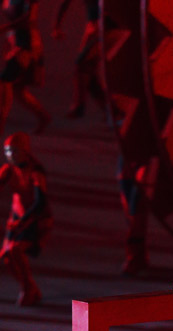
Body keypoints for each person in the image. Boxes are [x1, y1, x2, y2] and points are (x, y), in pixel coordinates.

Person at [0, 130, 51, 305]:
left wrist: (24, 222)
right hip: (16, 217)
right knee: (6, 257)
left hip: (34, 219)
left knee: (16, 251)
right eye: (7, 151)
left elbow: (40, 202)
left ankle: (28, 288)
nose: (10, 155)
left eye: (14, 151)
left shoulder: (35, 171)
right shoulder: (8, 170)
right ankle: (28, 286)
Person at [0, 0, 48, 136]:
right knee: (17, 89)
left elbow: (27, 19)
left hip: (27, 44)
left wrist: (5, 28)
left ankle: (1, 123)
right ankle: (43, 116)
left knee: (5, 80)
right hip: (14, 42)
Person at [52, 0, 105, 119]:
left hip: (101, 27)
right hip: (93, 27)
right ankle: (110, 109)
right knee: (87, 72)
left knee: (82, 67)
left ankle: (80, 106)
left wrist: (57, 25)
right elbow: (64, 3)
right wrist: (57, 25)